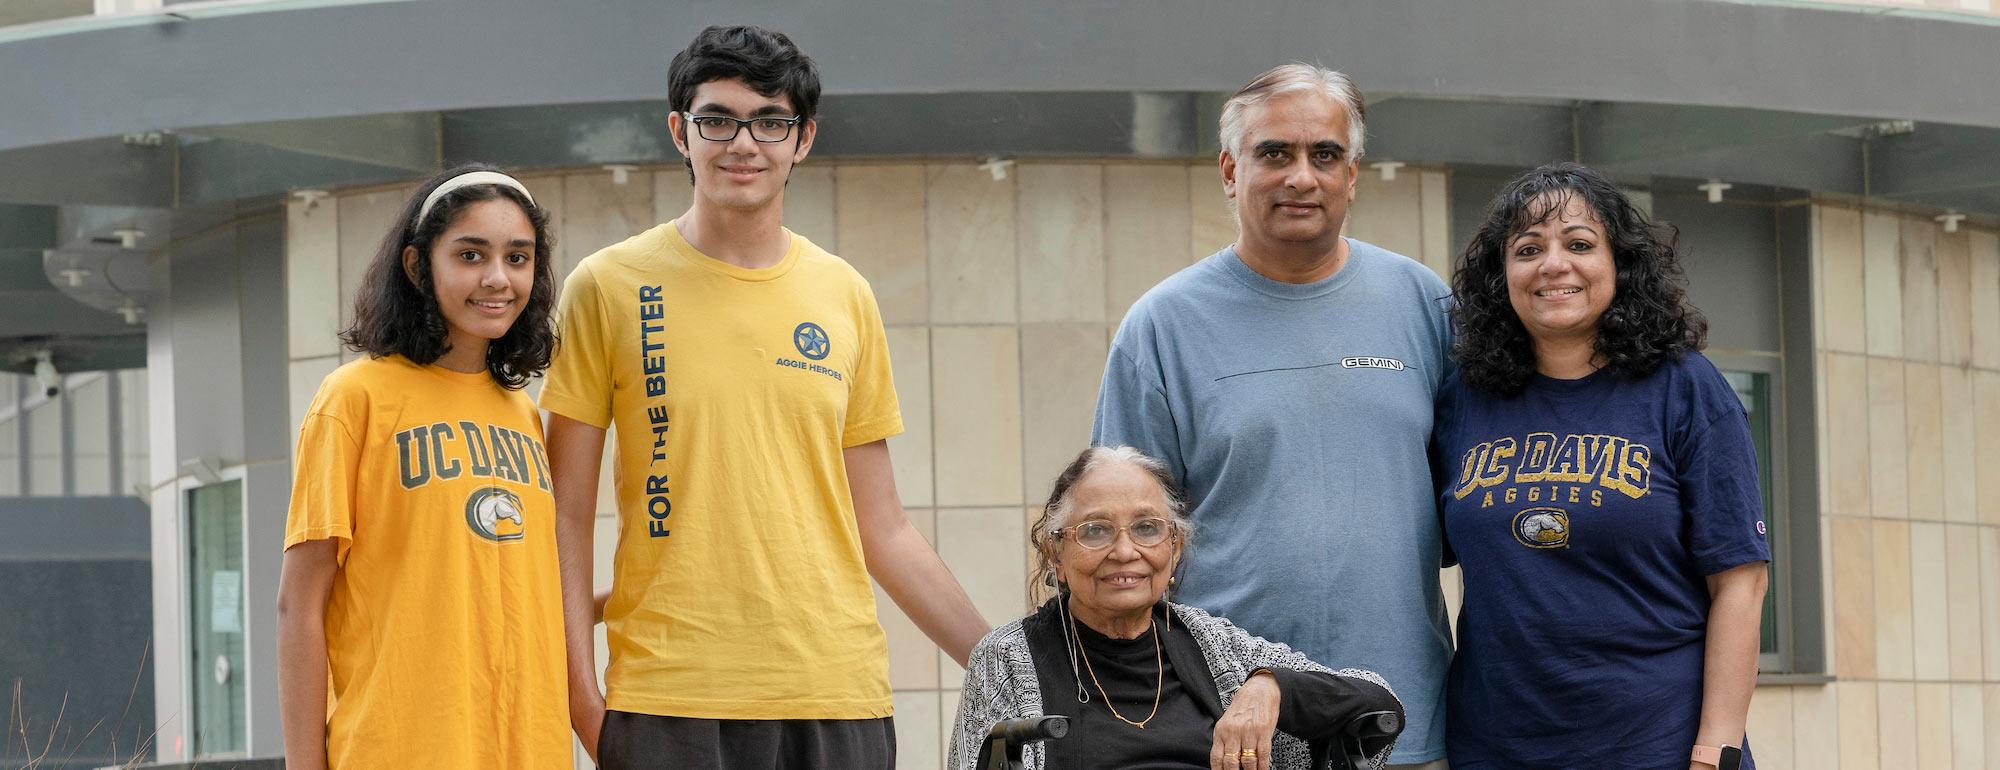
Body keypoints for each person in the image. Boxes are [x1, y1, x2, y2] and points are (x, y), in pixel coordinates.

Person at [539, 25, 988, 768]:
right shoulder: (607, 286)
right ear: (680, 131)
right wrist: (582, 700)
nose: (742, 144)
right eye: (718, 119)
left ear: (802, 139)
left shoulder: (844, 294)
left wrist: (999, 661)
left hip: (838, 696)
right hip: (668, 701)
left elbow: (883, 527)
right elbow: (566, 515)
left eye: (769, 122)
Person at [1093, 63, 1453, 768]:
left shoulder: (1424, 307)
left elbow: (1463, 510)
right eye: (1274, 154)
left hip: (1400, 726)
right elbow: (1122, 549)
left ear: (1353, 175)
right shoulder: (1162, 328)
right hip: (1225, 732)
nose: (1301, 176)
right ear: (1230, 170)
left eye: (1325, 155)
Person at [1434, 162, 1769, 770]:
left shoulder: (1686, 390)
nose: (1553, 265)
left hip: (1656, 746)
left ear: (1621, 265)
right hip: (1495, 747)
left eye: (1580, 244)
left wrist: (1715, 746)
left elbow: (1740, 580)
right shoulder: (1465, 398)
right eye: (1527, 249)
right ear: (1500, 277)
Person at [276, 164, 567, 769]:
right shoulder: (353, 399)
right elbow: (299, 606)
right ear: (417, 266)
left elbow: (503, 592)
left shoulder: (525, 416)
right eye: (470, 255)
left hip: (529, 751)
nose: (497, 278)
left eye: (518, 257)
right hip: (399, 748)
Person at [949, 446, 1404, 770]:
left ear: (1175, 547)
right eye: (1095, 531)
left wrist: (1271, 687)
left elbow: (1380, 705)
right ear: (1055, 555)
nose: (1124, 551)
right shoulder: (1006, 659)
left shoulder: (1213, 644)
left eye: (1146, 528)